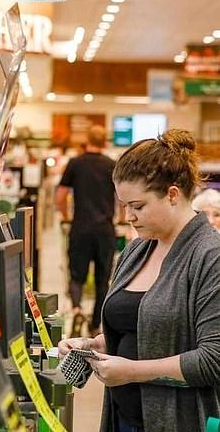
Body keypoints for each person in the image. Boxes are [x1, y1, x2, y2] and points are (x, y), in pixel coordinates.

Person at [59, 129, 220, 432]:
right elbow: (143, 329)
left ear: (173, 194)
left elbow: (213, 360)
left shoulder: (210, 256)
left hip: (180, 421)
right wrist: (94, 345)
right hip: (123, 419)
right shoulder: (137, 250)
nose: (128, 216)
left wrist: (132, 372)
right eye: (124, 206)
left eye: (138, 206)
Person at [56, 125, 117, 336]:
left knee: (76, 274)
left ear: (86, 140)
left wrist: (66, 216)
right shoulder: (112, 165)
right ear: (105, 142)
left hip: (80, 227)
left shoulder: (75, 163)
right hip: (105, 230)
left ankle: (76, 309)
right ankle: (95, 325)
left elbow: (61, 195)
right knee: (103, 278)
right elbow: (122, 197)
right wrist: (122, 219)